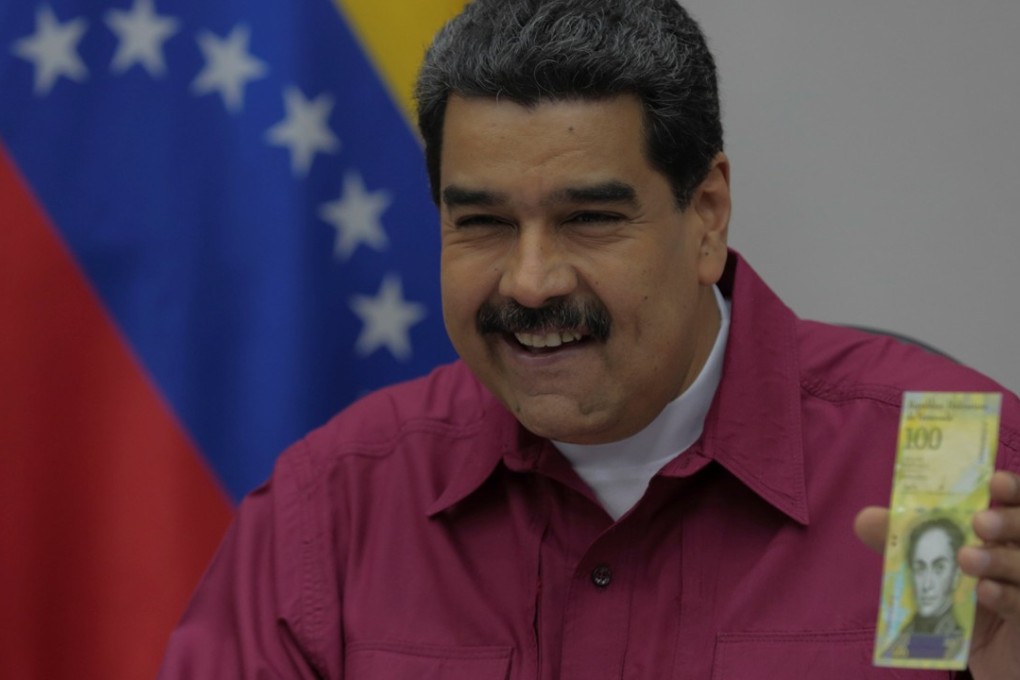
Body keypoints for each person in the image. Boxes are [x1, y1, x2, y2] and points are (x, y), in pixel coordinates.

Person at [159, 1, 1020, 677]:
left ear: (707, 215)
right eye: (484, 223)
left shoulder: (950, 468)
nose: (531, 282)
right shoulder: (333, 505)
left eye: (590, 218)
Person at [883, 518, 966, 662]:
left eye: (939, 568)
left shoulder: (964, 644)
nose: (927, 585)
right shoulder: (898, 642)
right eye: (920, 568)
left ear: (956, 575)